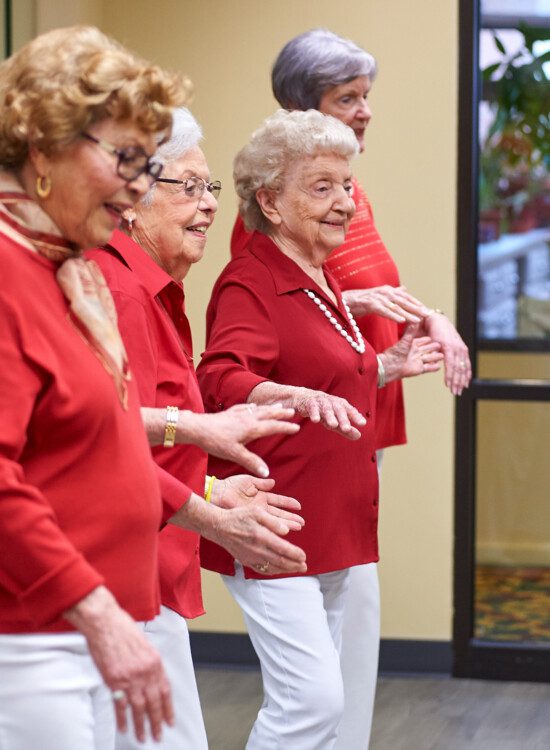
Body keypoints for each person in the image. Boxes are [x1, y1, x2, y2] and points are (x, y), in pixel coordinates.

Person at [230, 29, 473, 748]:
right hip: (313, 437)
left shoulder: (344, 199)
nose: (364, 110)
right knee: (323, 659)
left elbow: (365, 292)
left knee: (352, 617)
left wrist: (413, 334)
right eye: (347, 98)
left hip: (358, 412)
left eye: (367, 96)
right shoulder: (272, 231)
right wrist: (372, 348)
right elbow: (244, 360)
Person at [196, 108, 443, 749]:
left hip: (332, 523)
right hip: (275, 522)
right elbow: (219, 376)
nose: (344, 203)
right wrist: (280, 392)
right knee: (310, 703)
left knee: (321, 708)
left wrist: (384, 367)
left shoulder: (318, 276)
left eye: (348, 186)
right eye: (322, 187)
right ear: (271, 201)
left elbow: (326, 378)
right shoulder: (253, 281)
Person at [88, 107, 307, 749]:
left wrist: (210, 491)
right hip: (121, 581)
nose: (209, 205)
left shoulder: (150, 289)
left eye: (210, 188)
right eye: (188, 187)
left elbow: (146, 439)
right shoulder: (124, 294)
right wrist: (213, 515)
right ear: (131, 200)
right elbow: (107, 447)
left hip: (143, 573)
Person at [0, 25, 189, 750]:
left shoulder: (66, 273)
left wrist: (194, 506)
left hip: (85, 628)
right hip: (33, 642)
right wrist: (100, 616)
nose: (142, 186)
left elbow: (94, 449)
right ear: (44, 147)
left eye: (150, 163)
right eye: (126, 159)